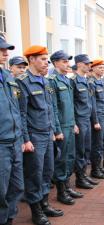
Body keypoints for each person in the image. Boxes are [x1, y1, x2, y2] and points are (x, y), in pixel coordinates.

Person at [17, 45, 62, 225]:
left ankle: (44, 204)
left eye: (47, 59)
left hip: (46, 133)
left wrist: (52, 130)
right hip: (34, 136)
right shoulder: (23, 81)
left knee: (47, 171)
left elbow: (50, 109)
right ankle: (36, 211)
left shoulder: (46, 81)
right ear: (32, 59)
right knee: (34, 174)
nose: (47, 63)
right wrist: (26, 139)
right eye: (43, 59)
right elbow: (21, 114)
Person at [48, 50, 83, 205]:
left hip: (69, 124)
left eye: (68, 61)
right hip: (61, 127)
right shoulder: (52, 80)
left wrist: (74, 123)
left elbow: (70, 105)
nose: (67, 64)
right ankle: (61, 192)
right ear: (55, 63)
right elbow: (53, 108)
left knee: (70, 157)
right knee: (61, 160)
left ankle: (67, 186)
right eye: (64, 61)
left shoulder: (67, 80)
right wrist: (57, 130)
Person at [0, 35, 24, 225]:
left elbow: (17, 110)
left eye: (6, 50)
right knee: (0, 191)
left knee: (17, 187)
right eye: (1, 50)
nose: (6, 53)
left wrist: (22, 138)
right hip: (1, 145)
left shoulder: (8, 77)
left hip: (15, 141)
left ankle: (9, 219)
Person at [71, 54, 99, 189]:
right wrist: (74, 123)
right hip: (79, 120)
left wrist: (94, 120)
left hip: (87, 119)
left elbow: (91, 102)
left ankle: (84, 175)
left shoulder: (87, 81)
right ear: (79, 64)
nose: (89, 66)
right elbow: (70, 104)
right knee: (80, 150)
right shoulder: (73, 81)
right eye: (87, 64)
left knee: (87, 149)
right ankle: (79, 178)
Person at [88, 59, 104, 179]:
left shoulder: (102, 82)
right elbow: (92, 104)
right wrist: (95, 121)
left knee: (103, 143)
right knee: (97, 145)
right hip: (98, 117)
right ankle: (95, 169)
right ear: (92, 68)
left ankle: (100, 167)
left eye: (103, 68)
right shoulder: (91, 82)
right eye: (100, 68)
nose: (102, 70)